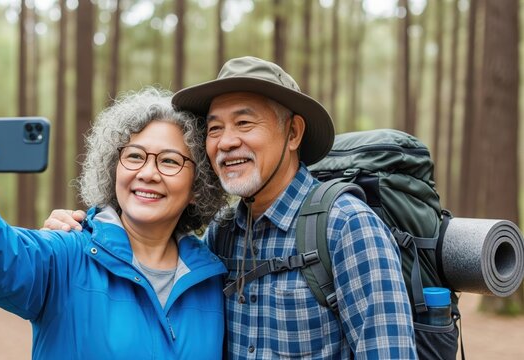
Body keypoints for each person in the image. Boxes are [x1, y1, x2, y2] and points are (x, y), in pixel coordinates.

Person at [44, 57, 417, 359]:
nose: (226, 142)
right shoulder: (222, 234)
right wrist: (81, 229)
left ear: (293, 134)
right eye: (215, 128)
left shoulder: (347, 228)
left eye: (244, 122)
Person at [0, 87, 229, 359]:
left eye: (169, 161)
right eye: (135, 156)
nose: (148, 173)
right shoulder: (66, 255)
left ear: (198, 187)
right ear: (114, 170)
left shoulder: (213, 277)